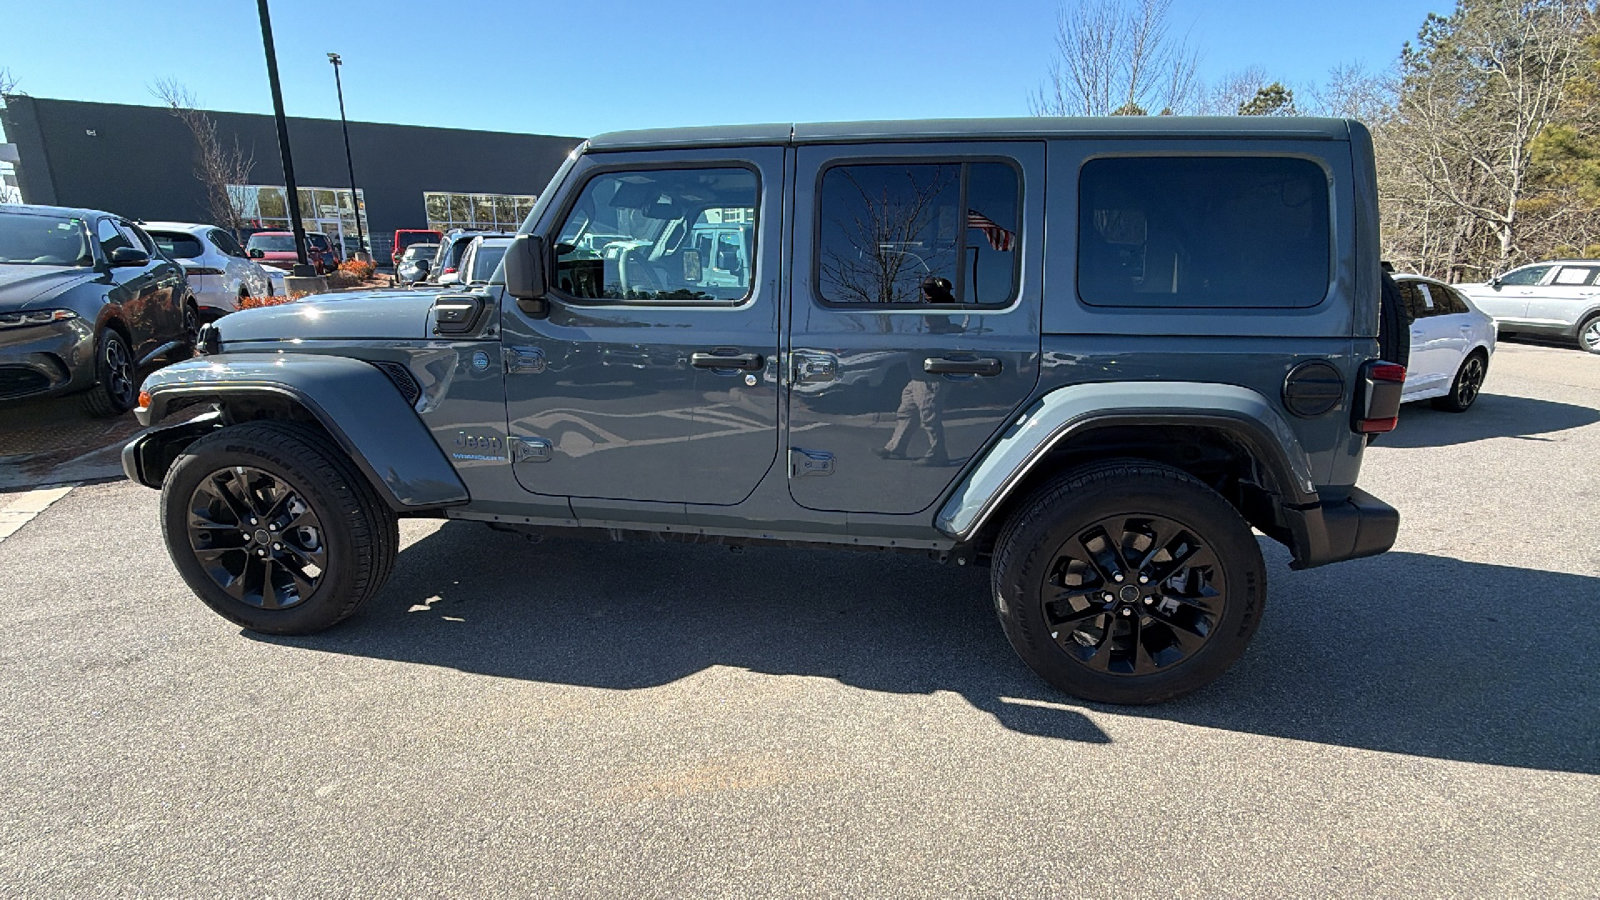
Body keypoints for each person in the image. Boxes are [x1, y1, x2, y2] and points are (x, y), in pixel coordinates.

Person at [875, 276, 955, 466]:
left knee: (929, 416)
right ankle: (896, 447)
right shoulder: (932, 310)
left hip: (929, 377)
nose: (925, 294)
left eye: (928, 290)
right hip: (917, 377)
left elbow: (935, 337)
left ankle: (938, 453)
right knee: (906, 412)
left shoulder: (940, 310)